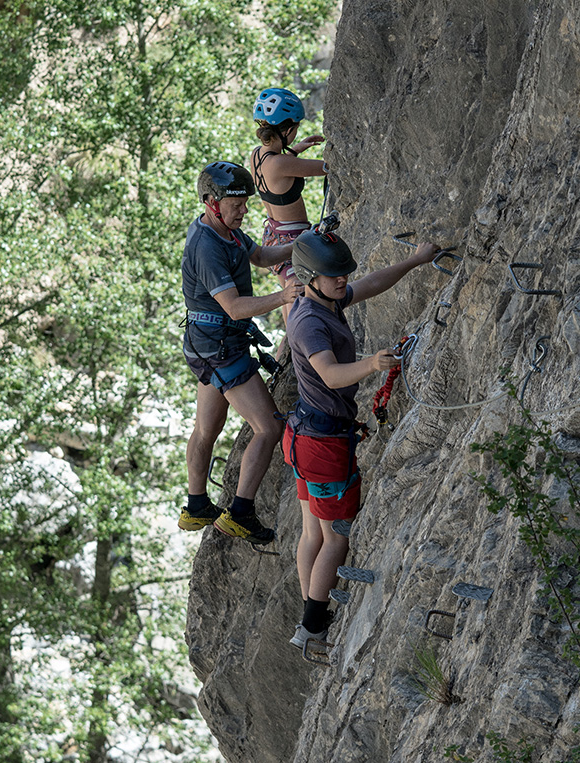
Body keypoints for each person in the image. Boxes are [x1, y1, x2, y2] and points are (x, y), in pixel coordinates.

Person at [282, 223, 440, 647]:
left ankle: (309, 611)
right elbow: (331, 375)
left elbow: (369, 284)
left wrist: (415, 260)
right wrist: (373, 364)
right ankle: (313, 627)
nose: (343, 280)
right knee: (334, 537)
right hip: (323, 446)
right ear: (309, 278)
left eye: (342, 273)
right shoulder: (309, 323)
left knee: (312, 533)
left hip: (305, 437)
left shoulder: (324, 299)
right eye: (335, 275)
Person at [179, 161, 302, 545]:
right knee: (269, 427)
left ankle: (196, 504)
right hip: (220, 347)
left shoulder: (226, 231)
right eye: (236, 204)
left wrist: (301, 244)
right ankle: (240, 513)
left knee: (207, 428)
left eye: (245, 203)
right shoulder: (206, 246)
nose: (243, 210)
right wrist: (283, 296)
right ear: (211, 202)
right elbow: (234, 307)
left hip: (207, 342)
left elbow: (262, 257)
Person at [250, 87, 327, 328]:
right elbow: (326, 167)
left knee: (291, 294)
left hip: (274, 235)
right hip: (293, 242)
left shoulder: (257, 155)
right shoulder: (282, 163)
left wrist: (296, 149)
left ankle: (291, 353)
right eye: (296, 129)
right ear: (286, 130)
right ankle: (294, 351)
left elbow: (279, 168)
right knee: (295, 305)